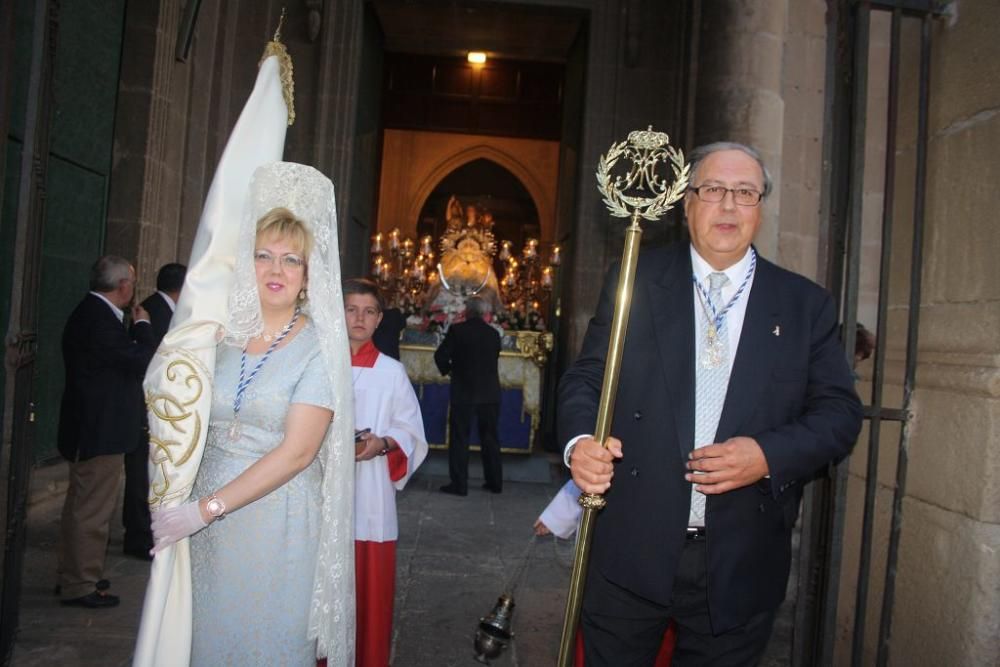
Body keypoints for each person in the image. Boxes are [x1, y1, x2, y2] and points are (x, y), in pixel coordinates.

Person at [561, 142, 863, 665]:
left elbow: (839, 413)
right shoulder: (635, 279)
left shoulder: (804, 304)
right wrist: (579, 442)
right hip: (632, 544)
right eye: (713, 190)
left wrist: (767, 455)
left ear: (761, 206)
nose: (729, 205)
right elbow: (589, 376)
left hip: (740, 557)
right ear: (686, 203)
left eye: (745, 192)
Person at [148, 163, 355, 665]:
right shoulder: (219, 335)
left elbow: (298, 452)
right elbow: (170, 401)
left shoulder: (319, 348)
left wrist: (205, 509)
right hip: (205, 532)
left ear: (308, 274)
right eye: (264, 256)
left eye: (291, 259)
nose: (276, 270)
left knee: (266, 646)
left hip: (277, 523)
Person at [56, 255, 156, 607]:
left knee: (82, 506)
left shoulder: (94, 314)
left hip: (93, 427)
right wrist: (143, 326)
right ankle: (80, 583)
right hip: (98, 429)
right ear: (123, 287)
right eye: (132, 282)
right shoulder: (98, 319)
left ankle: (74, 574)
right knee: (92, 512)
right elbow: (139, 360)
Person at [342, 278, 428, 666]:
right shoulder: (317, 365)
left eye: (369, 311)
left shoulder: (391, 372)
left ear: (379, 320)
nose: (360, 318)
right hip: (320, 492)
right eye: (351, 309)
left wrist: (383, 444)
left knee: (368, 595)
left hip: (370, 496)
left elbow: (412, 431)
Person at [122, 262, 187, 560]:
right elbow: (155, 359)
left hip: (153, 406)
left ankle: (139, 531)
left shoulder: (157, 309)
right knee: (140, 475)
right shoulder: (153, 313)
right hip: (146, 406)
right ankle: (137, 536)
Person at [433, 296, 502, 496]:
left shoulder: (458, 331)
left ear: (467, 311)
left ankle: (459, 484)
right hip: (490, 393)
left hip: (464, 392)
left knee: (460, 438)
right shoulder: (493, 334)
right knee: (490, 438)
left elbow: (440, 356)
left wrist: (451, 370)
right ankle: (495, 482)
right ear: (484, 313)